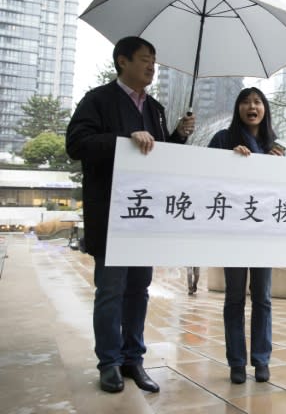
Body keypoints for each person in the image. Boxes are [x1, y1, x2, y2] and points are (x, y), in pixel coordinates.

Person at [66, 36, 196, 393]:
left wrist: (177, 137)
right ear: (122, 61)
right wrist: (124, 139)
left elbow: (157, 156)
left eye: (154, 60)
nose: (152, 66)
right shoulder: (98, 100)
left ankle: (132, 360)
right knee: (110, 290)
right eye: (144, 59)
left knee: (139, 290)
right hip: (111, 213)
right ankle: (108, 362)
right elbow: (76, 144)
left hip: (143, 217)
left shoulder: (154, 107)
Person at [208, 87, 283, 384]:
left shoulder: (275, 145)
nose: (252, 106)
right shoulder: (223, 140)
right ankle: (237, 363)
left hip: (263, 234)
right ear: (237, 108)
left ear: (264, 109)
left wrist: (281, 167)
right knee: (235, 298)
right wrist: (230, 160)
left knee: (263, 298)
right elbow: (204, 176)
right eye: (245, 102)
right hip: (233, 233)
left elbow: (282, 190)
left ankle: (262, 360)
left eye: (257, 102)